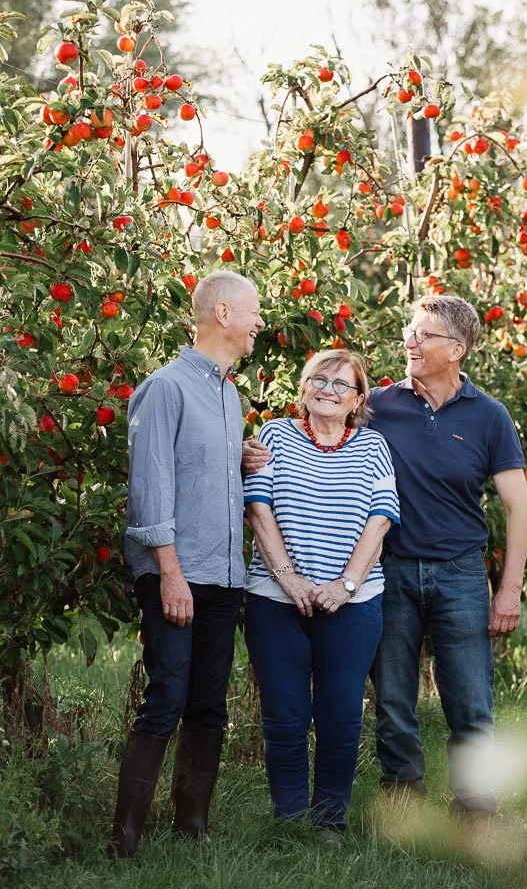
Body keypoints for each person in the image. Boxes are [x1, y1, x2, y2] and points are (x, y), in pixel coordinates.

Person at [111, 270, 265, 860]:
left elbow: (196, 469)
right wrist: (170, 574)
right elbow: (151, 488)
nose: (259, 323)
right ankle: (125, 836)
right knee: (167, 695)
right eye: (252, 312)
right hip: (176, 572)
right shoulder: (165, 388)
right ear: (223, 314)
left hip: (223, 574)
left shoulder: (228, 394)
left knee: (208, 702)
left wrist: (237, 458)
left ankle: (191, 826)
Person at [367, 294, 527, 832]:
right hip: (391, 570)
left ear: (457, 349)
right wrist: (257, 451)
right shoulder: (378, 405)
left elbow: (518, 506)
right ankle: (403, 802)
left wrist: (509, 590)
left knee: (471, 702)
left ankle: (476, 810)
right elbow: (318, 428)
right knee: (393, 698)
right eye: (409, 332)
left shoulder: (490, 416)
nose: (409, 342)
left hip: (461, 574)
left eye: (423, 334)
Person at [242, 349, 400, 845]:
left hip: (353, 603)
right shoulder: (274, 435)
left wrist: (345, 585)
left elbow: (380, 521)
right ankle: (290, 821)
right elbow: (259, 509)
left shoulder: (374, 446)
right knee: (284, 714)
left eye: (341, 384)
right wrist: (288, 579)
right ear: (303, 387)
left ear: (357, 400)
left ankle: (330, 820)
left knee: (341, 713)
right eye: (319, 379)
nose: (328, 390)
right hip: (275, 599)